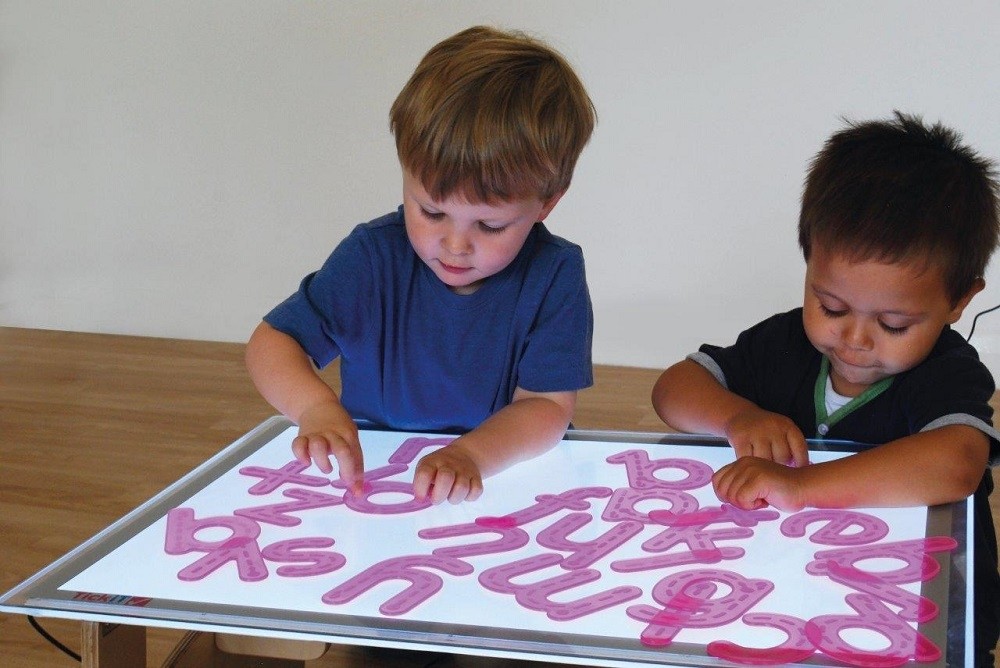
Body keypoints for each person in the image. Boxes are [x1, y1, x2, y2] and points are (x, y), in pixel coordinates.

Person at [651, 111, 1000, 664]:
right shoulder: (784, 341)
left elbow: (956, 463)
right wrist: (737, 416)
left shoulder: (948, 371)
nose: (855, 339)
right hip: (795, 600)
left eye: (893, 325)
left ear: (959, 301)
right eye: (831, 306)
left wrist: (804, 487)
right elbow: (673, 390)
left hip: (920, 614)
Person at [246, 26, 596, 506]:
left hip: (502, 480)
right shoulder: (372, 255)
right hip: (373, 481)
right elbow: (273, 342)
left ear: (546, 205)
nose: (455, 244)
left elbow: (546, 407)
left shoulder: (554, 273)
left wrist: (470, 455)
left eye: (490, 226)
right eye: (431, 212)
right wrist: (315, 408)